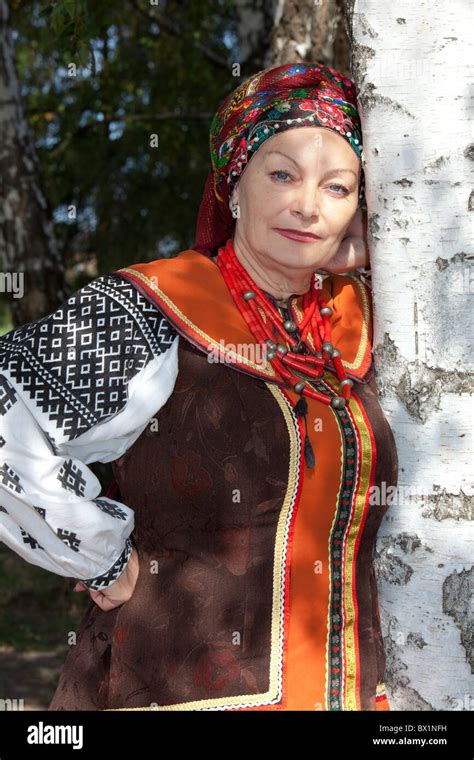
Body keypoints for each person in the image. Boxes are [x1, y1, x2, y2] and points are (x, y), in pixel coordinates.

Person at [0, 62, 398, 711]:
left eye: (337, 186)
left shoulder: (356, 329)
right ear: (232, 186)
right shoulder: (152, 309)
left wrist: (374, 250)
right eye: (282, 174)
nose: (307, 204)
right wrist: (101, 555)